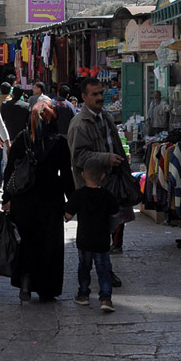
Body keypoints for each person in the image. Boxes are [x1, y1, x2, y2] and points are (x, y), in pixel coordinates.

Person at [2, 97, 73, 302]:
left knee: (26, 242)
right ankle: (46, 288)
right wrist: (72, 203)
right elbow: (66, 176)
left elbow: (9, 172)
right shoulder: (59, 143)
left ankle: (25, 280)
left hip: (23, 200)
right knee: (49, 244)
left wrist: (7, 197)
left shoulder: (22, 139)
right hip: (50, 200)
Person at [67, 78, 126, 287]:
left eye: (101, 93)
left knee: (108, 230)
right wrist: (105, 158)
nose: (100, 97)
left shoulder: (106, 118)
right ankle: (94, 274)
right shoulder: (79, 124)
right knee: (93, 234)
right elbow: (79, 157)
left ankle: (104, 269)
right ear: (84, 97)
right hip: (91, 188)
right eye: (95, 94)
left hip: (109, 184)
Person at [65, 157, 121, 312]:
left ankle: (83, 295)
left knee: (84, 267)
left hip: (84, 240)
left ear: (83, 175)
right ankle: (105, 299)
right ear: (103, 176)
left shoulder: (78, 195)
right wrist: (110, 229)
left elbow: (68, 216)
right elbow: (115, 216)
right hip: (102, 241)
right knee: (103, 269)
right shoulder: (108, 196)